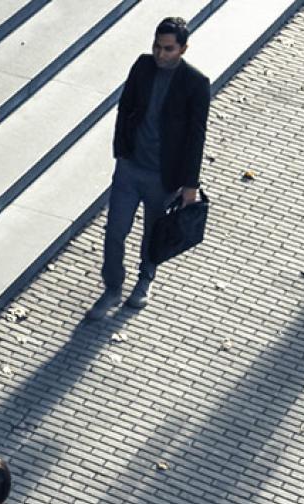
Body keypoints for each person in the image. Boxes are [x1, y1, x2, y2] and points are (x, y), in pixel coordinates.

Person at [84, 16, 210, 320]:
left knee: (153, 233)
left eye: (167, 49)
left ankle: (145, 280)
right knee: (114, 231)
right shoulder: (142, 66)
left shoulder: (195, 83)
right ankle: (113, 287)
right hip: (130, 168)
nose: (160, 54)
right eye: (156, 46)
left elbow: (196, 137)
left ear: (183, 48)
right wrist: (121, 151)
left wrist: (190, 185)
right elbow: (125, 107)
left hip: (163, 177)